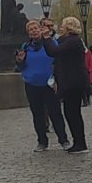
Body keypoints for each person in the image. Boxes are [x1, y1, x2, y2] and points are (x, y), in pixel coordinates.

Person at [19, 20, 70, 150]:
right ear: (28, 33)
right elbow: (21, 66)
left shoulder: (50, 43)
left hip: (49, 84)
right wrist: (19, 61)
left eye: (36, 28)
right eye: (31, 29)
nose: (34, 31)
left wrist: (58, 79)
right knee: (37, 114)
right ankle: (42, 141)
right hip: (32, 84)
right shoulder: (25, 47)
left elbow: (58, 61)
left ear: (41, 30)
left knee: (55, 112)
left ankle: (63, 140)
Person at [50, 16, 92, 152]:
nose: (60, 27)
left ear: (68, 27)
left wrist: (46, 39)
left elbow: (54, 51)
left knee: (73, 113)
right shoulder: (69, 41)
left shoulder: (73, 41)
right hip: (71, 82)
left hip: (74, 82)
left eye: (63, 25)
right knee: (71, 113)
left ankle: (80, 142)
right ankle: (78, 141)